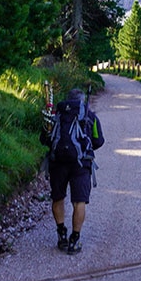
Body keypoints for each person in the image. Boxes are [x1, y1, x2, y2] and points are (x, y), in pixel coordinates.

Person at [41, 87, 104, 255]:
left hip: (58, 163)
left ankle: (61, 234)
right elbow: (99, 141)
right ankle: (74, 240)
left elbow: (44, 138)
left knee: (58, 197)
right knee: (79, 201)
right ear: (82, 101)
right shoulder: (90, 116)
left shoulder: (56, 115)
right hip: (81, 164)